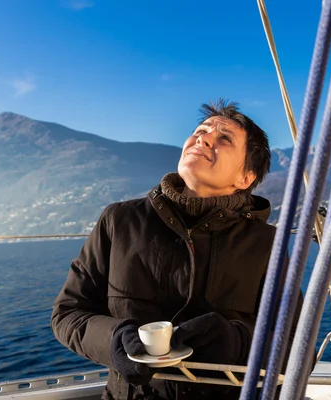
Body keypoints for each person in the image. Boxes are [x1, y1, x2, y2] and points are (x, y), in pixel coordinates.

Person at [51, 99, 307, 400]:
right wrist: (113, 339)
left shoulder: (266, 244)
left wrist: (236, 341)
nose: (204, 137)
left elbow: (296, 346)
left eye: (224, 138)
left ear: (245, 178)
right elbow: (67, 314)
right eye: (200, 130)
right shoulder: (119, 221)